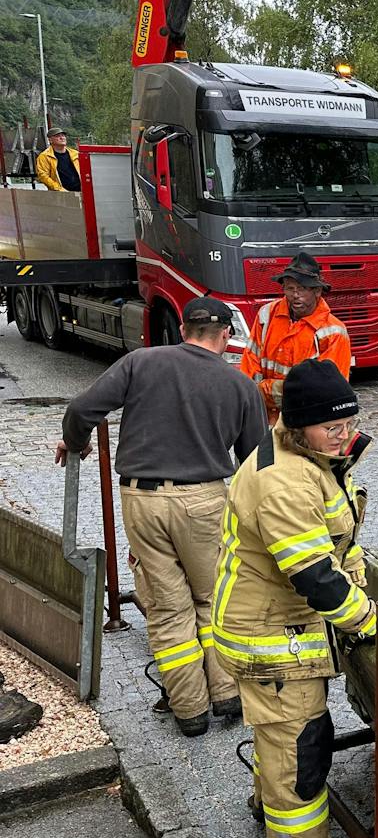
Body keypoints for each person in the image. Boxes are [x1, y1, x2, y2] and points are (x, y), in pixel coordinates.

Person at [57, 297, 267, 736]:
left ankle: (189, 711)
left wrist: (75, 443)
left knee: (169, 609)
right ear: (226, 336)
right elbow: (254, 466)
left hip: (142, 500)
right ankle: (226, 693)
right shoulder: (241, 385)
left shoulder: (141, 362)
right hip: (206, 502)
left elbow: (80, 412)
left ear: (184, 329)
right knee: (214, 599)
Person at [215, 359, 376, 838]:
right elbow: (316, 578)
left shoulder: (306, 455)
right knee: (300, 744)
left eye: (349, 423)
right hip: (270, 635)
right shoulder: (284, 481)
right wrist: (367, 620)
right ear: (298, 423)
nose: (344, 434)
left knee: (283, 734)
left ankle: (267, 802)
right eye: (333, 426)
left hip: (276, 622)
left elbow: (335, 544)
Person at [239, 251, 351, 424]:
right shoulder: (266, 315)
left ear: (317, 291)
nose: (295, 294)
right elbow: (250, 362)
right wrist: (253, 397)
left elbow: (328, 389)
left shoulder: (333, 332)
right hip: (264, 416)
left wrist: (270, 390)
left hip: (305, 420)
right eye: (290, 288)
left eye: (302, 288)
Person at [35, 127, 81, 192]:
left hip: (81, 191)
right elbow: (43, 176)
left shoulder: (75, 154)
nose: (62, 138)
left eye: (63, 135)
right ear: (50, 140)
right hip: (60, 193)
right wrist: (58, 188)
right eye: (57, 136)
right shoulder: (44, 156)